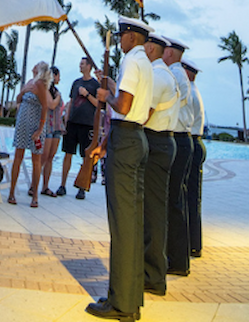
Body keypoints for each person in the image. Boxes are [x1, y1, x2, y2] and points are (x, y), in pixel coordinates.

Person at [86, 16, 153, 321]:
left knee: (122, 224)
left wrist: (105, 96)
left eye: (122, 35)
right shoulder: (146, 64)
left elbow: (122, 106)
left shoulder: (130, 61)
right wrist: (106, 142)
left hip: (126, 142)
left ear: (129, 37)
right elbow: (136, 113)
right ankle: (129, 295)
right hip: (135, 137)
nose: (120, 40)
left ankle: (122, 304)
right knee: (133, 223)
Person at [142, 33, 179, 297]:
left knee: (153, 213)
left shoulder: (157, 76)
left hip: (156, 143)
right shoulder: (165, 74)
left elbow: (143, 114)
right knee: (155, 210)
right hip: (162, 142)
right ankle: (153, 271)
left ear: (151, 47)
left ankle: (153, 274)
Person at [163, 35, 194, 277]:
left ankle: (176, 259)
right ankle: (178, 258)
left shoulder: (174, 75)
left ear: (171, 54)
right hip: (184, 140)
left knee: (173, 203)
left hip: (179, 138)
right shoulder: (180, 75)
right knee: (177, 202)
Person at [7, 61, 51, 208]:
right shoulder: (30, 82)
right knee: (18, 157)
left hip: (34, 125)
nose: (34, 65)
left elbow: (45, 107)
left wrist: (40, 129)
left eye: (37, 64)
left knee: (35, 159)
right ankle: (12, 192)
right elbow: (18, 100)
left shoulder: (40, 84)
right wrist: (24, 91)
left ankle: (35, 195)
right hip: (22, 123)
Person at [58, 57, 100, 200]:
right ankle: (62, 185)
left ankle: (82, 187)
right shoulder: (76, 83)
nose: (80, 66)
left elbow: (98, 104)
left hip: (87, 124)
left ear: (89, 66)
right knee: (67, 153)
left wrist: (87, 95)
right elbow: (70, 102)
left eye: (82, 64)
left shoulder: (95, 85)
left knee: (85, 156)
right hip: (73, 123)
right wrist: (66, 120)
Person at [183, 58, 206, 259]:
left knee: (189, 196)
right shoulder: (193, 91)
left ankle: (192, 243)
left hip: (192, 142)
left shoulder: (188, 93)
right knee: (193, 196)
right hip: (196, 143)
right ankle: (193, 242)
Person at [41, 66, 63, 197]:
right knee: (43, 157)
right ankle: (34, 185)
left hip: (56, 126)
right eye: (58, 75)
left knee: (50, 158)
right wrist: (59, 97)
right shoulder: (46, 89)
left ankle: (45, 186)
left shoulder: (56, 90)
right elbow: (52, 105)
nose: (59, 78)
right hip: (48, 125)